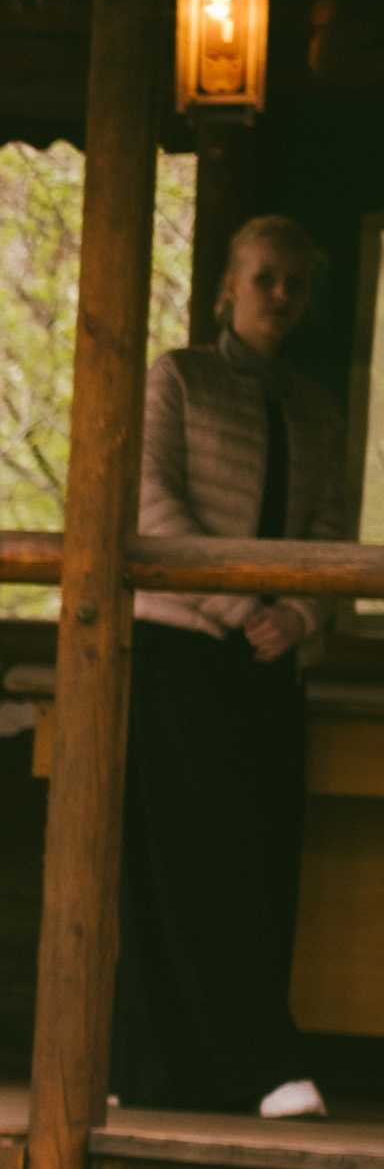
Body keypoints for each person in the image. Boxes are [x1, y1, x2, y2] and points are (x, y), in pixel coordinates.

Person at [114, 213, 349, 1119]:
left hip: (271, 666)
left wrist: (296, 613)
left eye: (296, 282)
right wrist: (243, 605)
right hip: (183, 653)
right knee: (182, 864)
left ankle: (251, 1065)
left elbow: (330, 535)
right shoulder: (179, 377)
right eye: (266, 278)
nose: (282, 295)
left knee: (258, 865)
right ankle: (176, 1070)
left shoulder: (319, 409)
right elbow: (148, 499)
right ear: (228, 286)